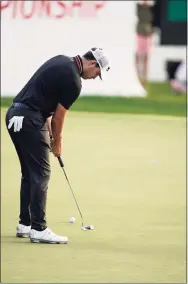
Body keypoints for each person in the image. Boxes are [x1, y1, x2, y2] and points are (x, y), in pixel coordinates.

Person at [5, 47, 111, 244]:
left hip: (14, 115)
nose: (96, 77)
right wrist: (57, 143)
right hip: (29, 120)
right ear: (92, 63)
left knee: (29, 173)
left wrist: (51, 136)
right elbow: (59, 117)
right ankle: (39, 228)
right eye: (98, 72)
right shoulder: (74, 80)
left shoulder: (61, 60)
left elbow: (45, 105)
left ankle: (25, 224)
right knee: (41, 173)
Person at [135, 0, 154, 88]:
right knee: (138, 56)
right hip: (139, 33)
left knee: (146, 57)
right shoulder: (138, 7)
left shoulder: (152, 9)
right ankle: (138, 76)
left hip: (148, 34)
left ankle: (145, 78)